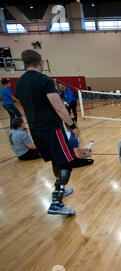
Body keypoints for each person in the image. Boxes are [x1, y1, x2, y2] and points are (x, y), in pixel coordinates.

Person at [15, 49, 78, 215]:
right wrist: (72, 126)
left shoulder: (19, 83)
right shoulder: (45, 80)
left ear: (24, 63)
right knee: (65, 164)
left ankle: (60, 190)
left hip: (35, 130)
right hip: (51, 129)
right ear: (40, 62)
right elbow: (58, 107)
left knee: (56, 162)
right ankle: (56, 203)